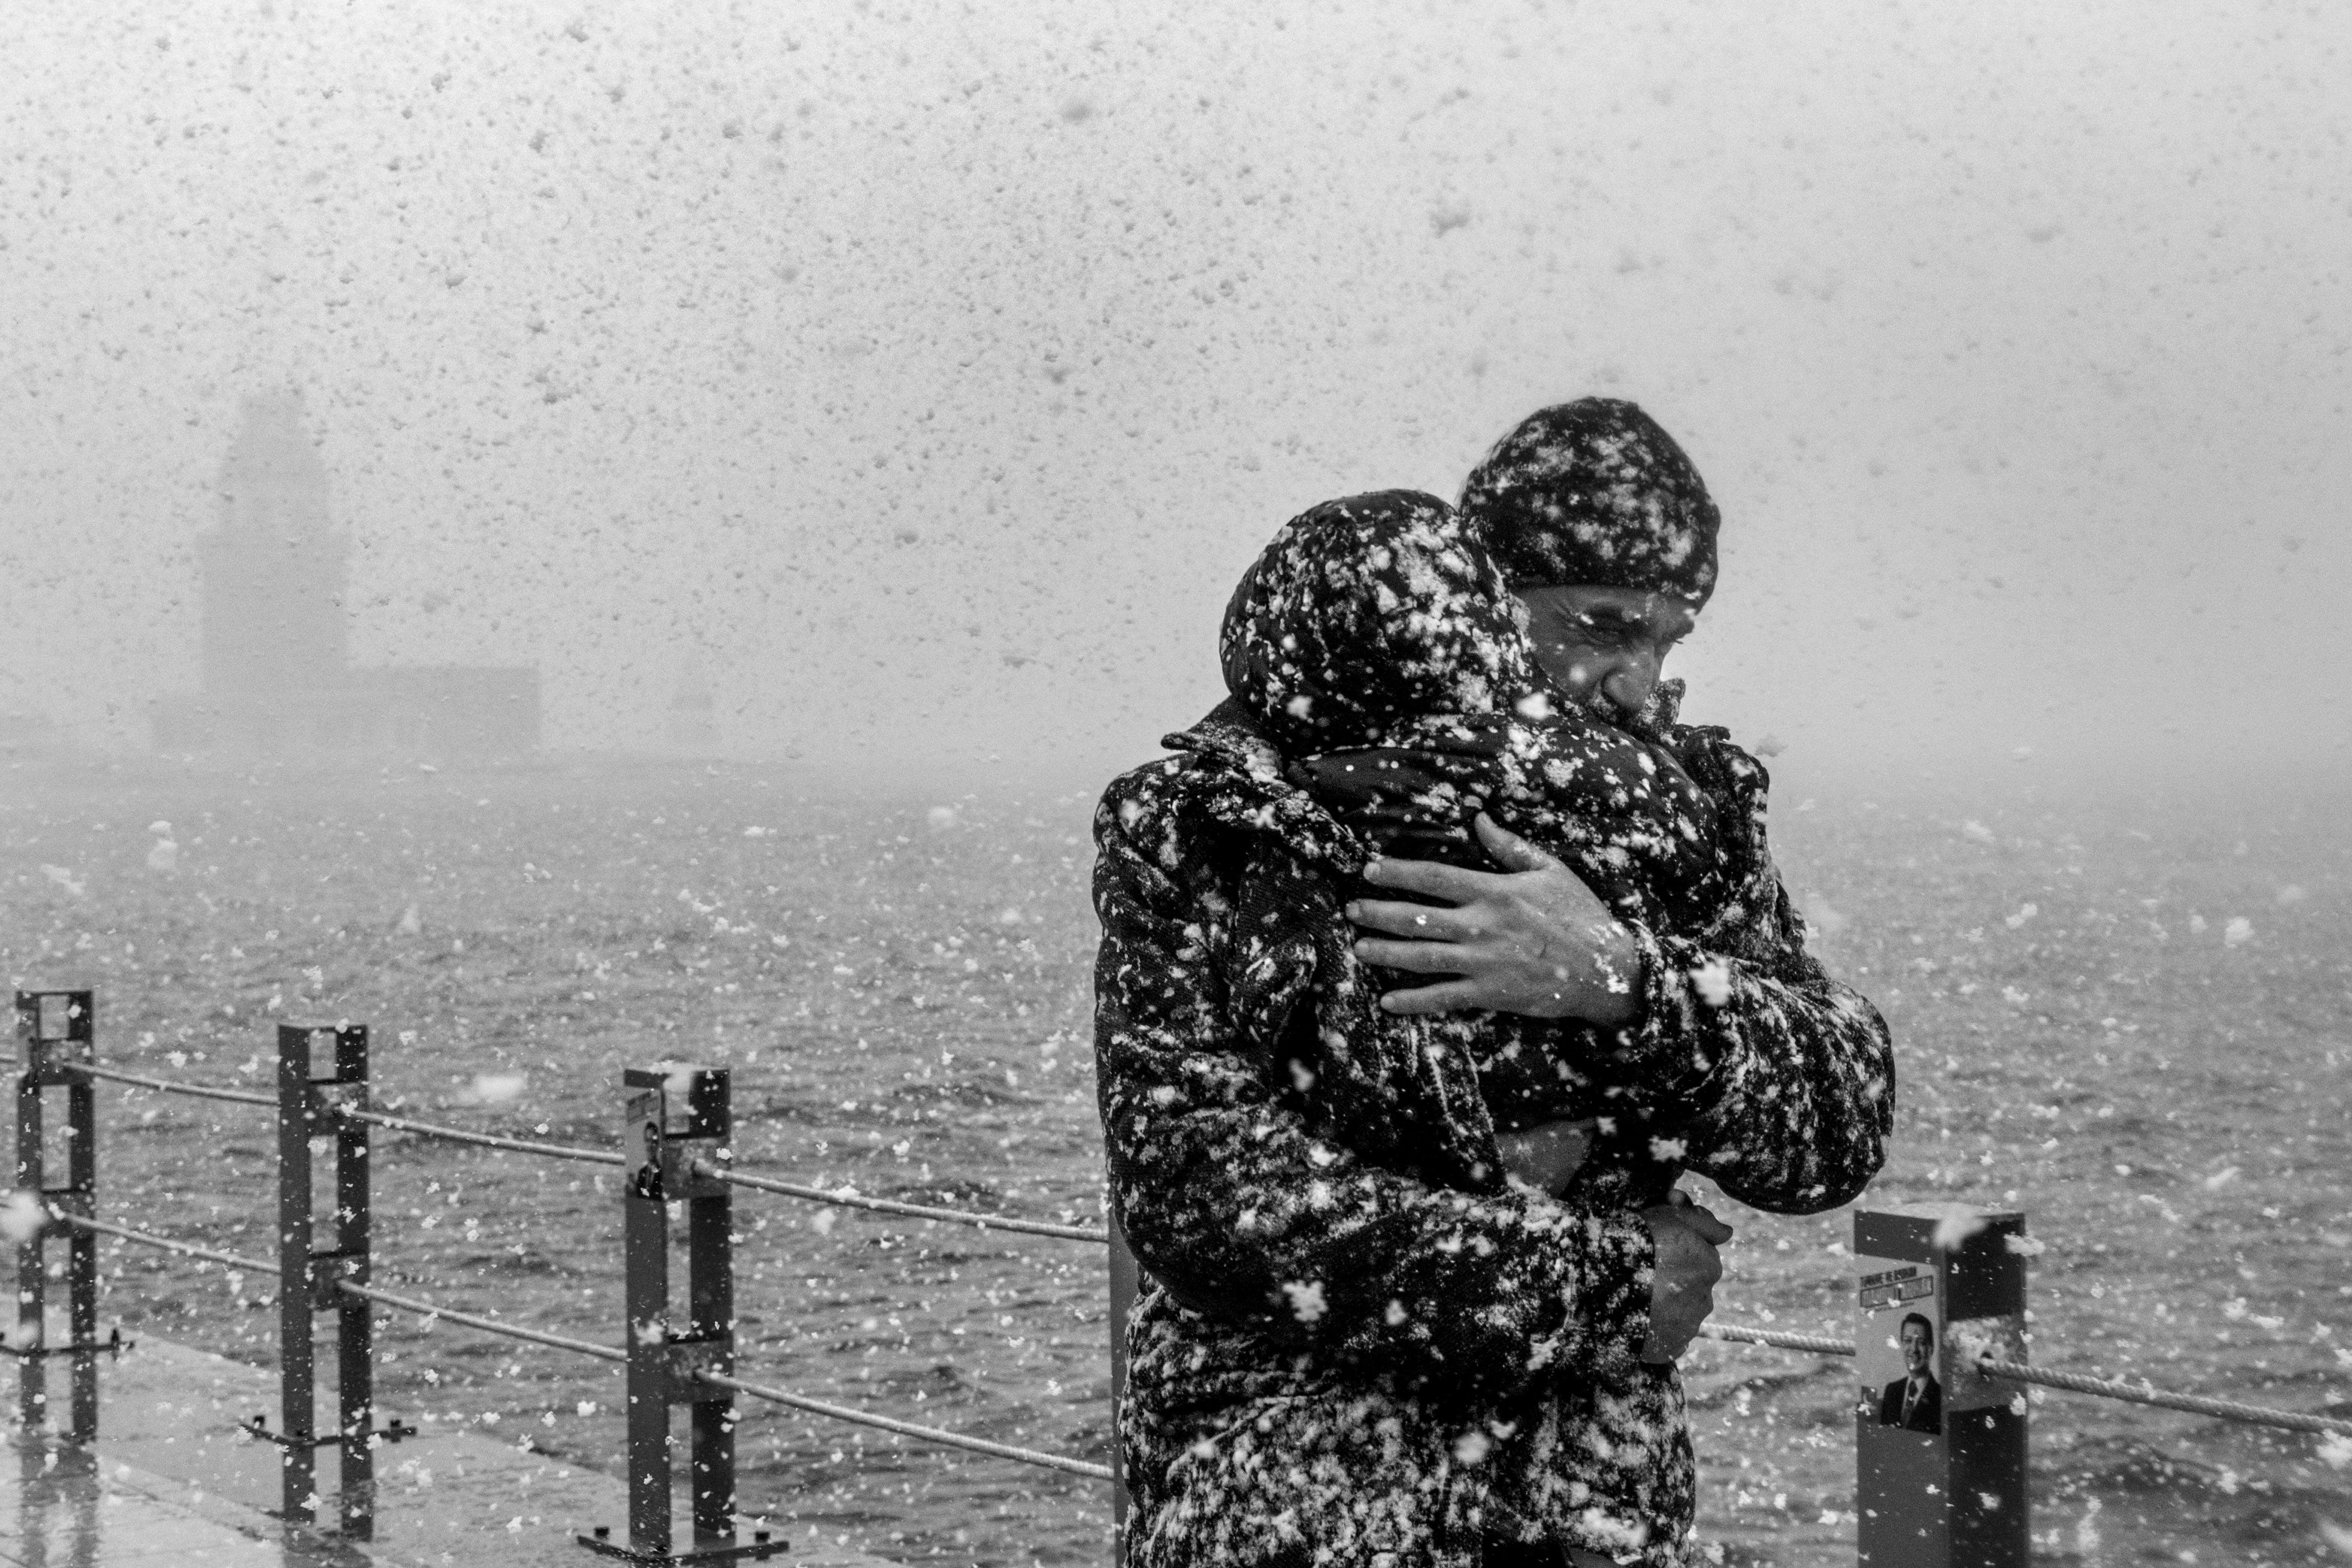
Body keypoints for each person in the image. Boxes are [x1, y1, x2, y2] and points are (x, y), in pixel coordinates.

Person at [1095, 398, 1894, 1568]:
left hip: (1580, 1514)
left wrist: (1622, 983)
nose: (1637, 681)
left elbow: (1837, 1127)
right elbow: (1205, 1195)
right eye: (1602, 626)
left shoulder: (1676, 822)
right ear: (1475, 602)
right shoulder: (1222, 811)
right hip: (1279, 1506)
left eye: (1668, 642)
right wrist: (1604, 1285)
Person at [1876, 1314, 1942, 1433]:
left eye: (1921, 1342)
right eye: (1908, 1341)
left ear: (1931, 1349)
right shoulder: (1892, 1391)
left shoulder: (1941, 1398)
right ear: (1901, 1346)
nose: (1914, 1349)